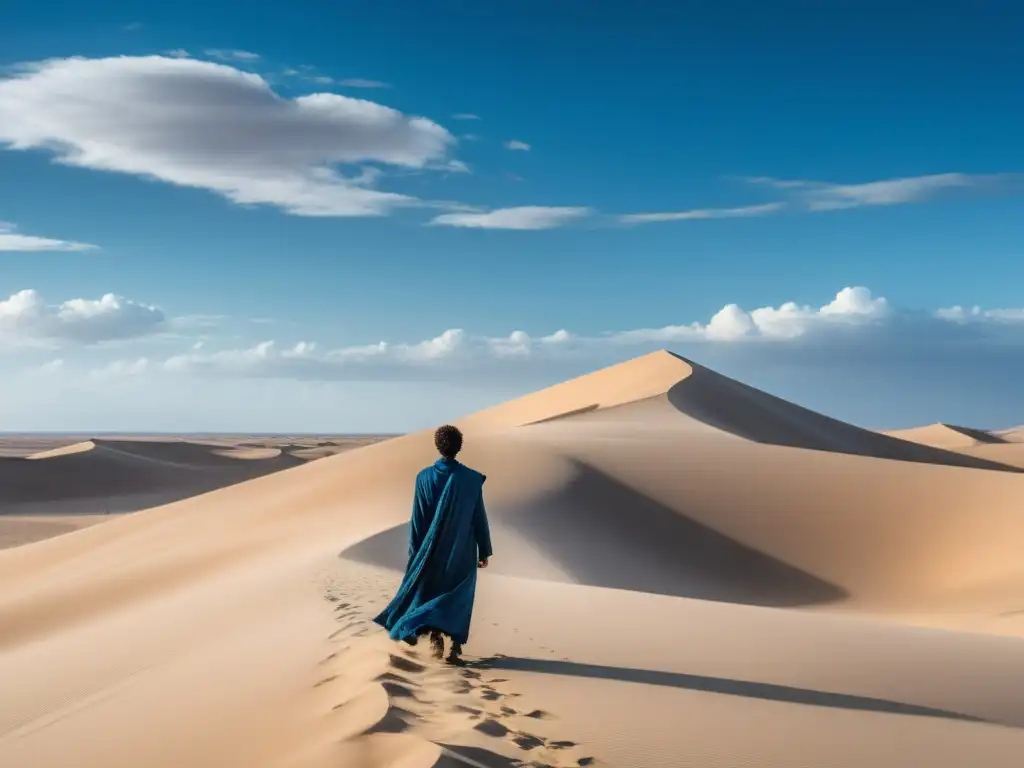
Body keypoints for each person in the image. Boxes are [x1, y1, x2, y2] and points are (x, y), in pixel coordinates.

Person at [373, 424, 493, 664]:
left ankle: (435, 637)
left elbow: (417, 518)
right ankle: (455, 647)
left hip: (431, 552)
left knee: (432, 592)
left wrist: (415, 551)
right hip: (461, 549)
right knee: (460, 595)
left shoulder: (424, 477)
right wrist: (484, 550)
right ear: (459, 447)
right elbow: (478, 516)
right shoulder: (470, 479)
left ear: (437, 446)